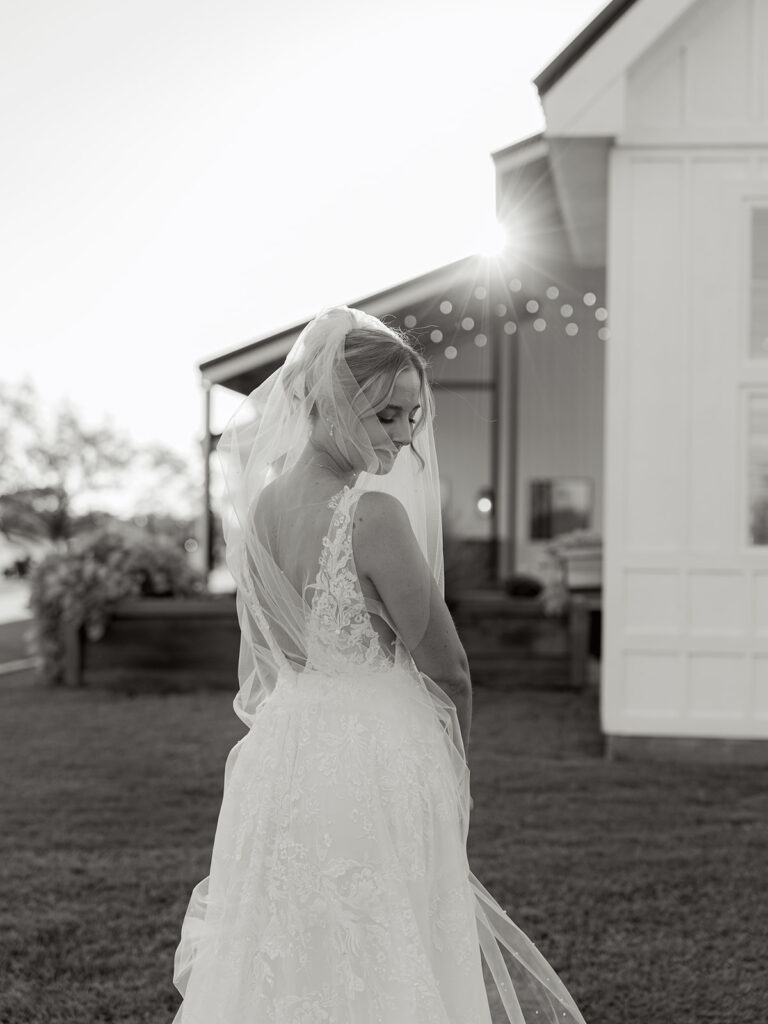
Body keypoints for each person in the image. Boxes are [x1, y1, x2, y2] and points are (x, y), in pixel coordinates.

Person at [171, 306, 588, 1023]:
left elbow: (281, 647)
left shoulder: (263, 510)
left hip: (284, 755)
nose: (402, 435)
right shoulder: (374, 517)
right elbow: (449, 667)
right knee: (387, 944)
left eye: (411, 416)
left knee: (291, 945)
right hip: (374, 758)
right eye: (386, 415)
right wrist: (453, 769)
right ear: (334, 404)